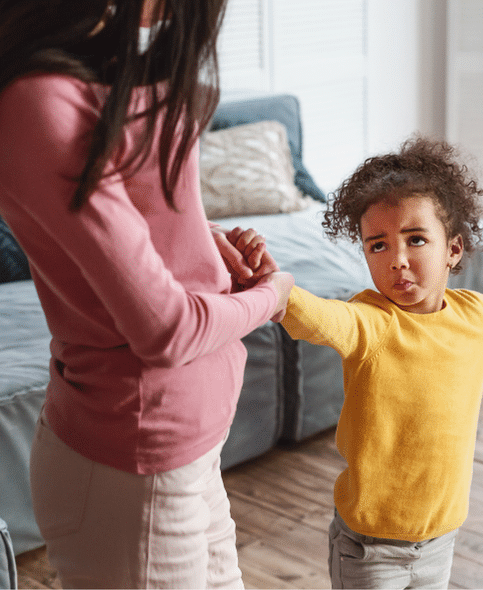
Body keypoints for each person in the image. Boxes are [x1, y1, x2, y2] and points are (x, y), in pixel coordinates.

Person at [0, 0, 294, 587]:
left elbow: (141, 218)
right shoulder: (40, 99)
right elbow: (166, 329)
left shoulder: (106, 63)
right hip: (133, 466)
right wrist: (273, 296)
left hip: (188, 451)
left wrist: (210, 249)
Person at [237, 136, 483, 589]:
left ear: (452, 249)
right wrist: (274, 287)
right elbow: (316, 317)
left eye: (415, 239)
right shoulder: (369, 323)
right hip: (371, 549)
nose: (399, 261)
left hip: (440, 540)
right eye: (378, 246)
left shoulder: (477, 318)